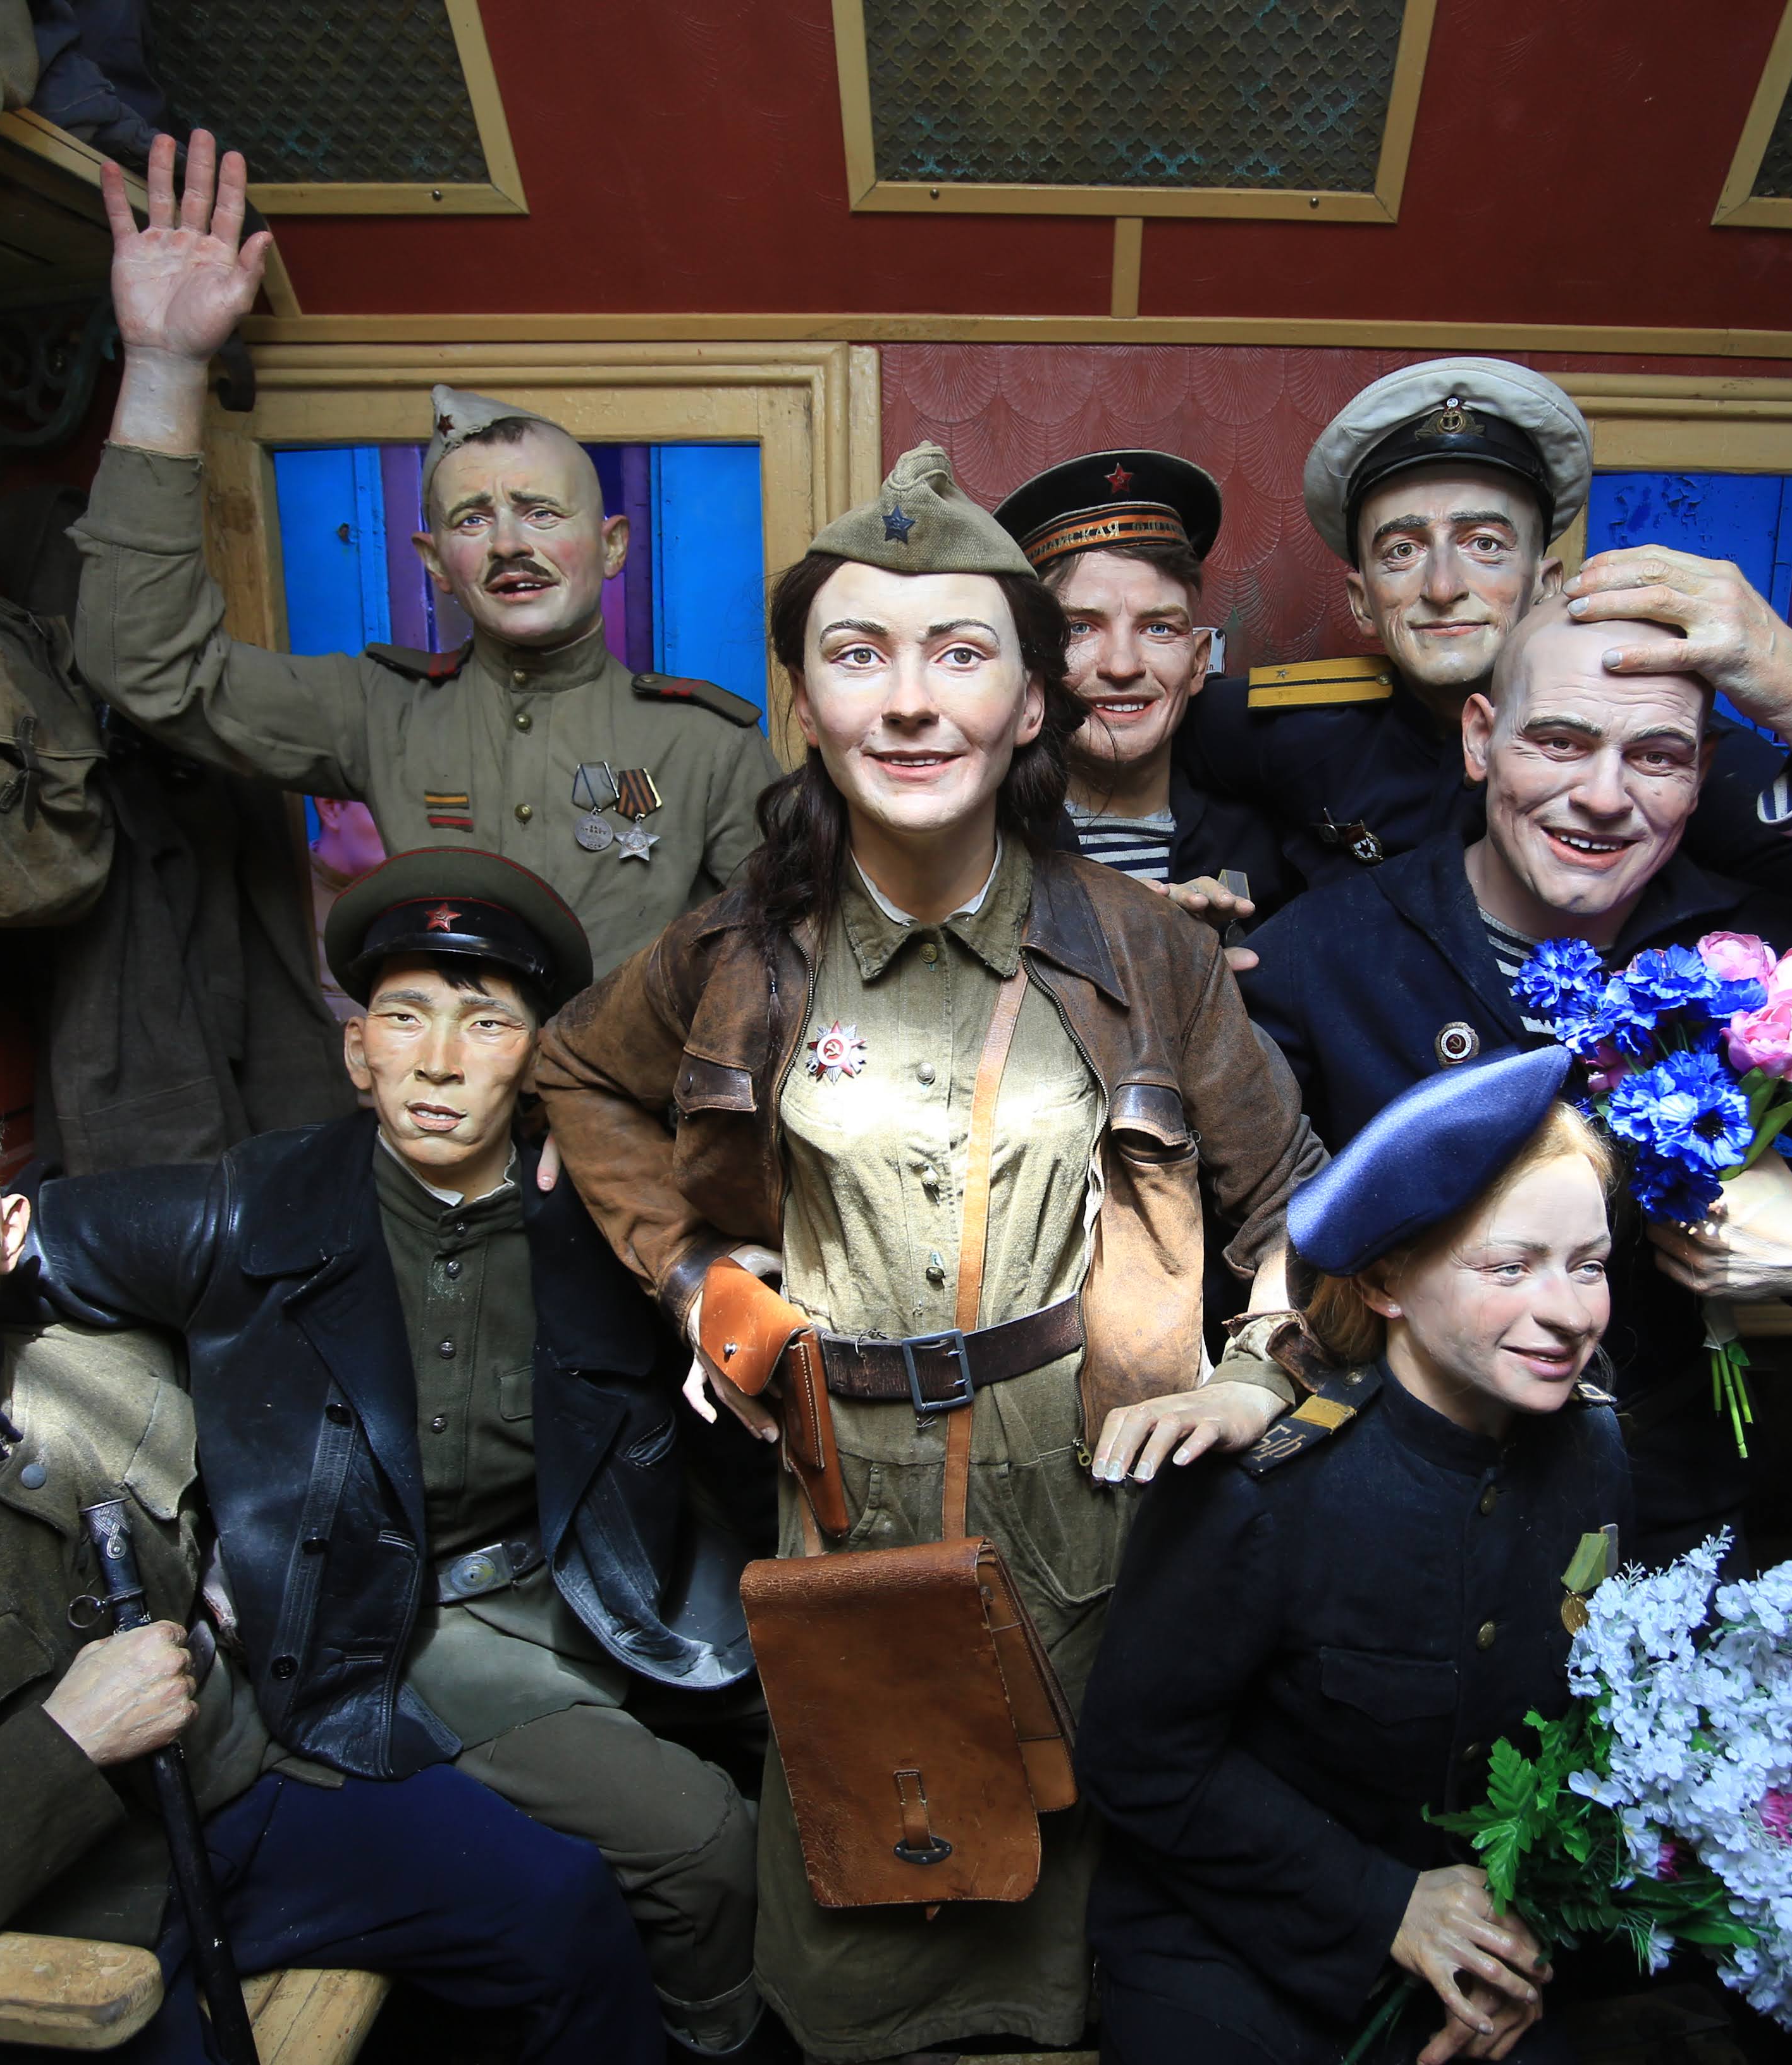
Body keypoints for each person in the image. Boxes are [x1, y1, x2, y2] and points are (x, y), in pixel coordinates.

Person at [0, 853, 768, 2056]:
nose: (441, 1062)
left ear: (538, 1058)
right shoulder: (246, 1210)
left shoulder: (603, 1203)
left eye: (488, 1024)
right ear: (357, 1053)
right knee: (696, 1839)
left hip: (593, 1592)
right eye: (404, 1018)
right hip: (382, 1645)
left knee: (664, 1849)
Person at [533, 441, 1326, 2061]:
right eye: (857, 656)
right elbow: (574, 1073)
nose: (907, 703)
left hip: (1091, 1519)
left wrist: (1263, 1372)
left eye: (960, 655)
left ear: (1030, 705)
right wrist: (691, 1279)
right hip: (842, 1517)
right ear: (804, 704)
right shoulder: (737, 953)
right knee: (863, 1918)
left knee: (1089, 1946)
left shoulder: (1144, 951)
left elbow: (1301, 1200)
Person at [1241, 599, 1792, 1560]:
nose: (1604, 796)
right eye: (1559, 741)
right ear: (1480, 740)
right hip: (1388, 1499)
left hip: (1660, 1497)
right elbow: (1244, 1209)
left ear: (1700, 772)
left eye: (1655, 756)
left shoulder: (1756, 965)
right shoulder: (1322, 949)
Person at [71, 130, 782, 978]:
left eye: (540, 512)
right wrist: (163, 368)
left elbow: (777, 960)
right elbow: (147, 664)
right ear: (435, 561)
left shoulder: (706, 743)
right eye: (473, 520)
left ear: (613, 545)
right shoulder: (380, 709)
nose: (510, 542)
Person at [1079, 1046, 1630, 2065]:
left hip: (1462, 1948)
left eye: (1587, 1265)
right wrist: (1385, 1905)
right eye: (1509, 1268)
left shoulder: (1591, 1454)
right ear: (1384, 1280)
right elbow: (1138, 1763)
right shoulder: (1264, 1490)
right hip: (1233, 1953)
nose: (1568, 1313)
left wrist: (1508, 1944)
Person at [1183, 355, 1792, 1008]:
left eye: (1484, 545)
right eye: (1401, 551)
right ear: (1362, 602)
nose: (1442, 585)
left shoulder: (1668, 770)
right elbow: (1149, 754)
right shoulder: (1289, 730)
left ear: (1546, 581)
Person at [993, 448, 1292, 941]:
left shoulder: (1269, 845)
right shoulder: (983, 841)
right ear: (1033, 662)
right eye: (1080, 628)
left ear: (1198, 662)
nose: (1122, 666)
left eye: (1158, 628)